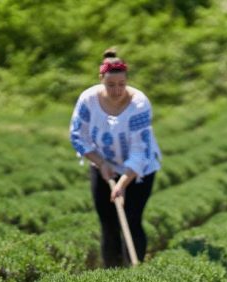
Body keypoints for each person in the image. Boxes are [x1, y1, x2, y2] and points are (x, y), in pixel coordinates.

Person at [69, 48, 161, 267]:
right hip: (103, 164)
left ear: (127, 81)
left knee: (131, 220)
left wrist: (122, 184)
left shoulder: (139, 104)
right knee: (108, 223)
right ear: (101, 80)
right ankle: (111, 274)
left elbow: (140, 150)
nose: (117, 90)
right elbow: (77, 136)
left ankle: (134, 272)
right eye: (111, 85)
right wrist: (100, 163)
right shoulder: (88, 99)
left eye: (122, 84)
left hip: (139, 170)